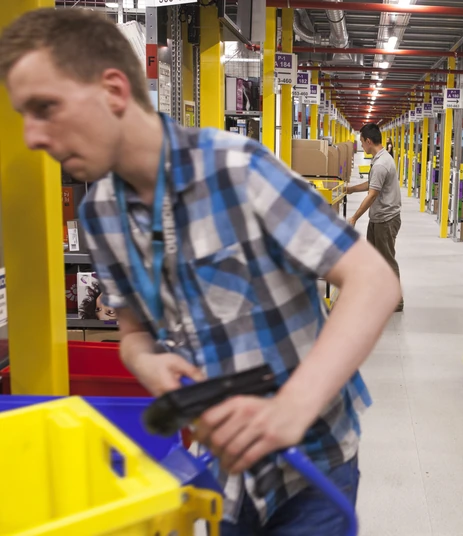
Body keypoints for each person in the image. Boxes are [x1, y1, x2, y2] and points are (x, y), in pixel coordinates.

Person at [0, 9, 401, 534]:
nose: (31, 136)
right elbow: (132, 334)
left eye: (45, 108)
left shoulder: (237, 171)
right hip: (222, 473)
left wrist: (293, 407)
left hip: (312, 466)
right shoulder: (100, 213)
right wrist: (149, 364)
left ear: (113, 90)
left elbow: (373, 281)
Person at [347, 123, 404, 312]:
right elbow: (373, 184)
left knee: (387, 260)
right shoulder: (381, 158)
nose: (361, 145)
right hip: (379, 217)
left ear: (368, 141)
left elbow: (372, 195)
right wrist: (351, 189)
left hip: (386, 219)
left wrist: (354, 217)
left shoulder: (381, 164)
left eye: (362, 142)